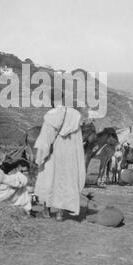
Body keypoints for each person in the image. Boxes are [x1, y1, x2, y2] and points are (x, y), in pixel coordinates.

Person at [34, 91, 86, 221]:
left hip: (53, 155)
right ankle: (60, 214)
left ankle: (46, 211)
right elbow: (79, 142)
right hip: (69, 156)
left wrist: (40, 158)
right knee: (65, 181)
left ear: (51, 101)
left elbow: (44, 141)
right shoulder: (75, 116)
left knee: (48, 179)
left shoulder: (51, 116)